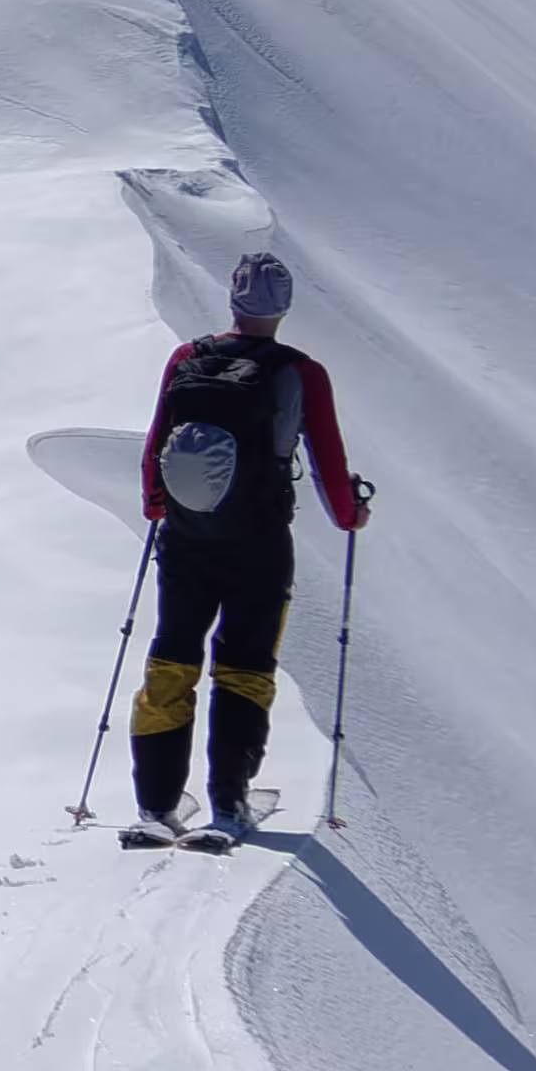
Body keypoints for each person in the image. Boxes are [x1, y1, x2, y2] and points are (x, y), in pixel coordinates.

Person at [125, 248, 367, 844]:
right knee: (245, 668)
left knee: (171, 660)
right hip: (259, 544)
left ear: (232, 299)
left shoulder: (188, 358)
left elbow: (157, 443)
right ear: (283, 307)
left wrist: (161, 508)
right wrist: (351, 513)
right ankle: (228, 805)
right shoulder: (301, 372)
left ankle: (155, 806)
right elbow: (329, 468)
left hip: (186, 540)